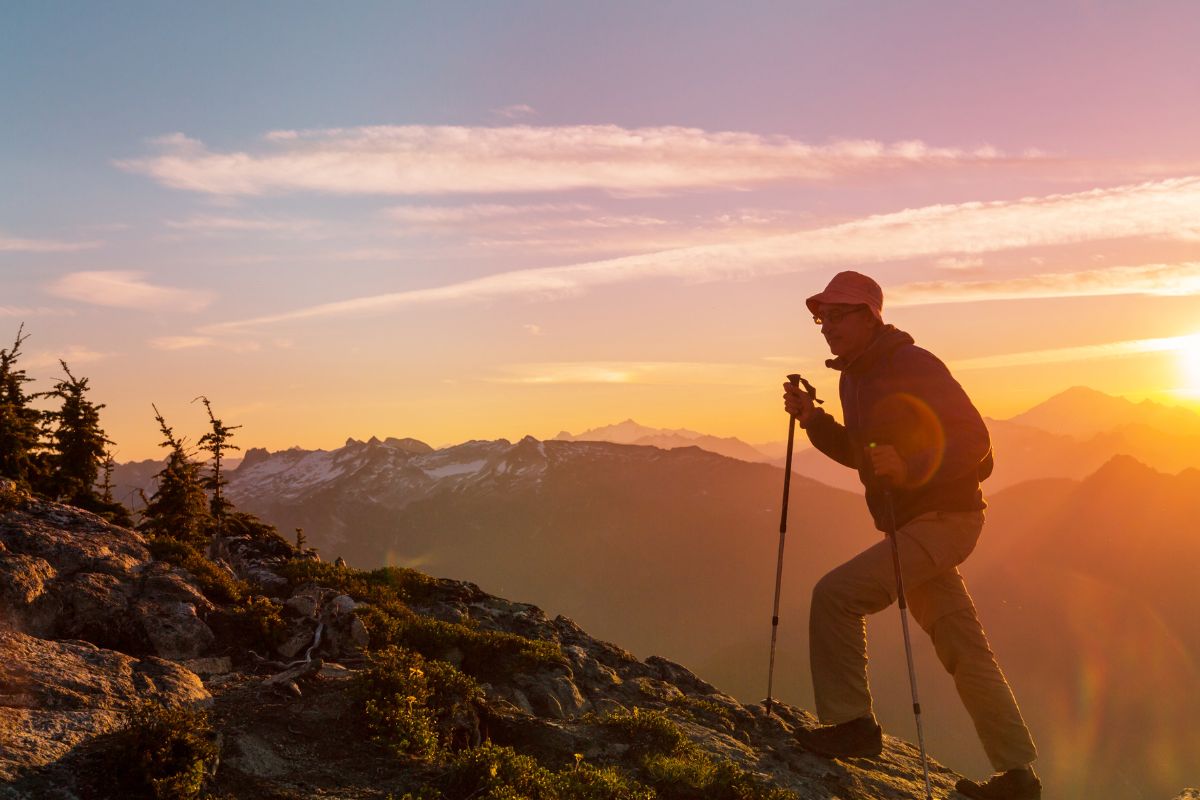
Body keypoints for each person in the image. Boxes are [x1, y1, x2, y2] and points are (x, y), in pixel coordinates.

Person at [782, 271, 1040, 800]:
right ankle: (1018, 778)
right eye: (821, 317)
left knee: (836, 596)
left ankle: (854, 725)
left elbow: (973, 436)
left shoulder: (912, 364)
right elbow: (865, 458)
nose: (826, 327)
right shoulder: (853, 377)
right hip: (918, 526)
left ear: (870, 315)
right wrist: (812, 420)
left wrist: (913, 462)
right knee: (964, 650)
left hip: (947, 521)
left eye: (837, 315)